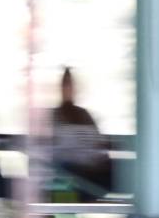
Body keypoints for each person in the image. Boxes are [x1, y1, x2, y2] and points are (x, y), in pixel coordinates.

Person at [45, 67, 113, 201]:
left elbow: (98, 148)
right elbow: (48, 151)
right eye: (65, 85)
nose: (68, 89)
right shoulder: (53, 116)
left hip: (89, 174)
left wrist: (97, 160)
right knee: (64, 176)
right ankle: (66, 212)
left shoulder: (85, 115)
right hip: (66, 173)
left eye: (70, 85)